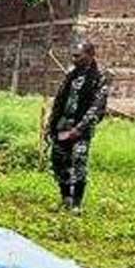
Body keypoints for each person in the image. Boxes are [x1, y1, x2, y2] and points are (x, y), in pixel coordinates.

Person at [46, 40, 110, 211]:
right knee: (59, 162)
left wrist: (78, 129)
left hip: (81, 129)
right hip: (62, 125)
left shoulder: (100, 77)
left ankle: (76, 204)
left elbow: (97, 107)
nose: (74, 59)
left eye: (78, 56)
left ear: (90, 55)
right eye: (73, 56)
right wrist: (51, 124)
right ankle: (65, 198)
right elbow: (59, 100)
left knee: (79, 162)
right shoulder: (71, 74)